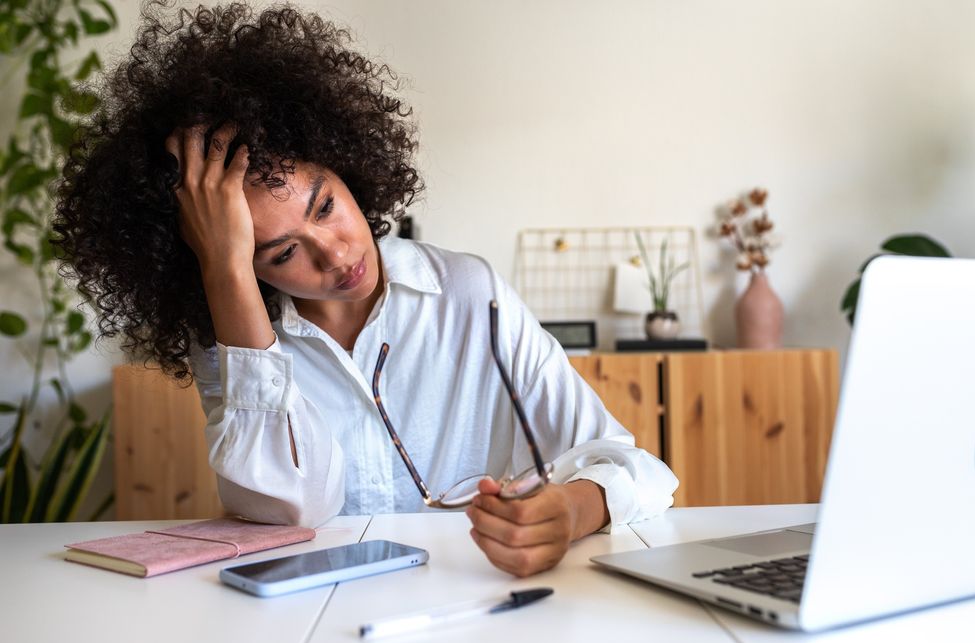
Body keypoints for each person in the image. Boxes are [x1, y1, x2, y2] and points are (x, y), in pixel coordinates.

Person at [54, 1, 678, 577]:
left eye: (325, 205)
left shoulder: (466, 293)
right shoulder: (235, 332)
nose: (337, 253)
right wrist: (224, 269)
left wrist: (572, 510)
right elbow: (295, 507)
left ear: (346, 163)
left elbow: (635, 469)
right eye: (282, 251)